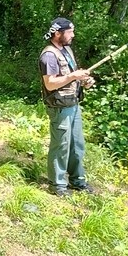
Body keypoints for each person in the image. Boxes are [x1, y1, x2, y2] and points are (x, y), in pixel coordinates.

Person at [39, 17, 95, 197]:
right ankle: (58, 185)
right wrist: (74, 76)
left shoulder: (67, 50)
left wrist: (84, 81)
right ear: (58, 33)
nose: (73, 35)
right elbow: (50, 84)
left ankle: (78, 181)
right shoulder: (49, 55)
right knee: (61, 146)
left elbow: (71, 76)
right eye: (70, 31)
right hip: (59, 107)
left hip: (73, 104)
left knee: (77, 145)